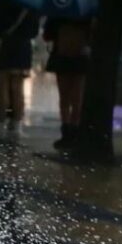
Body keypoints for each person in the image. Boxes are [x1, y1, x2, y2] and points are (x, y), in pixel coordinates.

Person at [0, 0, 40, 137]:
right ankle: (17, 126)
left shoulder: (3, 2)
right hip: (23, 48)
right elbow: (34, 31)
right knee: (18, 89)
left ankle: (0, 125)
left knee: (2, 88)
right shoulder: (30, 4)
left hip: (6, 46)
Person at [44, 16, 92, 150]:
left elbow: (47, 35)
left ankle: (66, 131)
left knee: (65, 97)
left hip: (63, 56)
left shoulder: (58, 15)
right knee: (77, 98)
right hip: (80, 58)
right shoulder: (86, 16)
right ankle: (73, 130)